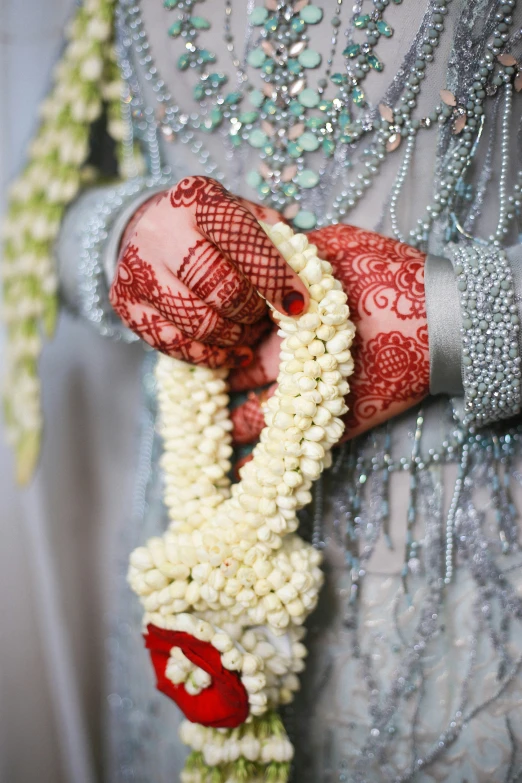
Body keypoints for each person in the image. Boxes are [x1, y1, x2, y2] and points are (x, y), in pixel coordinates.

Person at [5, 1, 522, 781]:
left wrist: (459, 318)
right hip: (187, 563)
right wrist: (121, 238)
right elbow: (42, 190)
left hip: (473, 599)